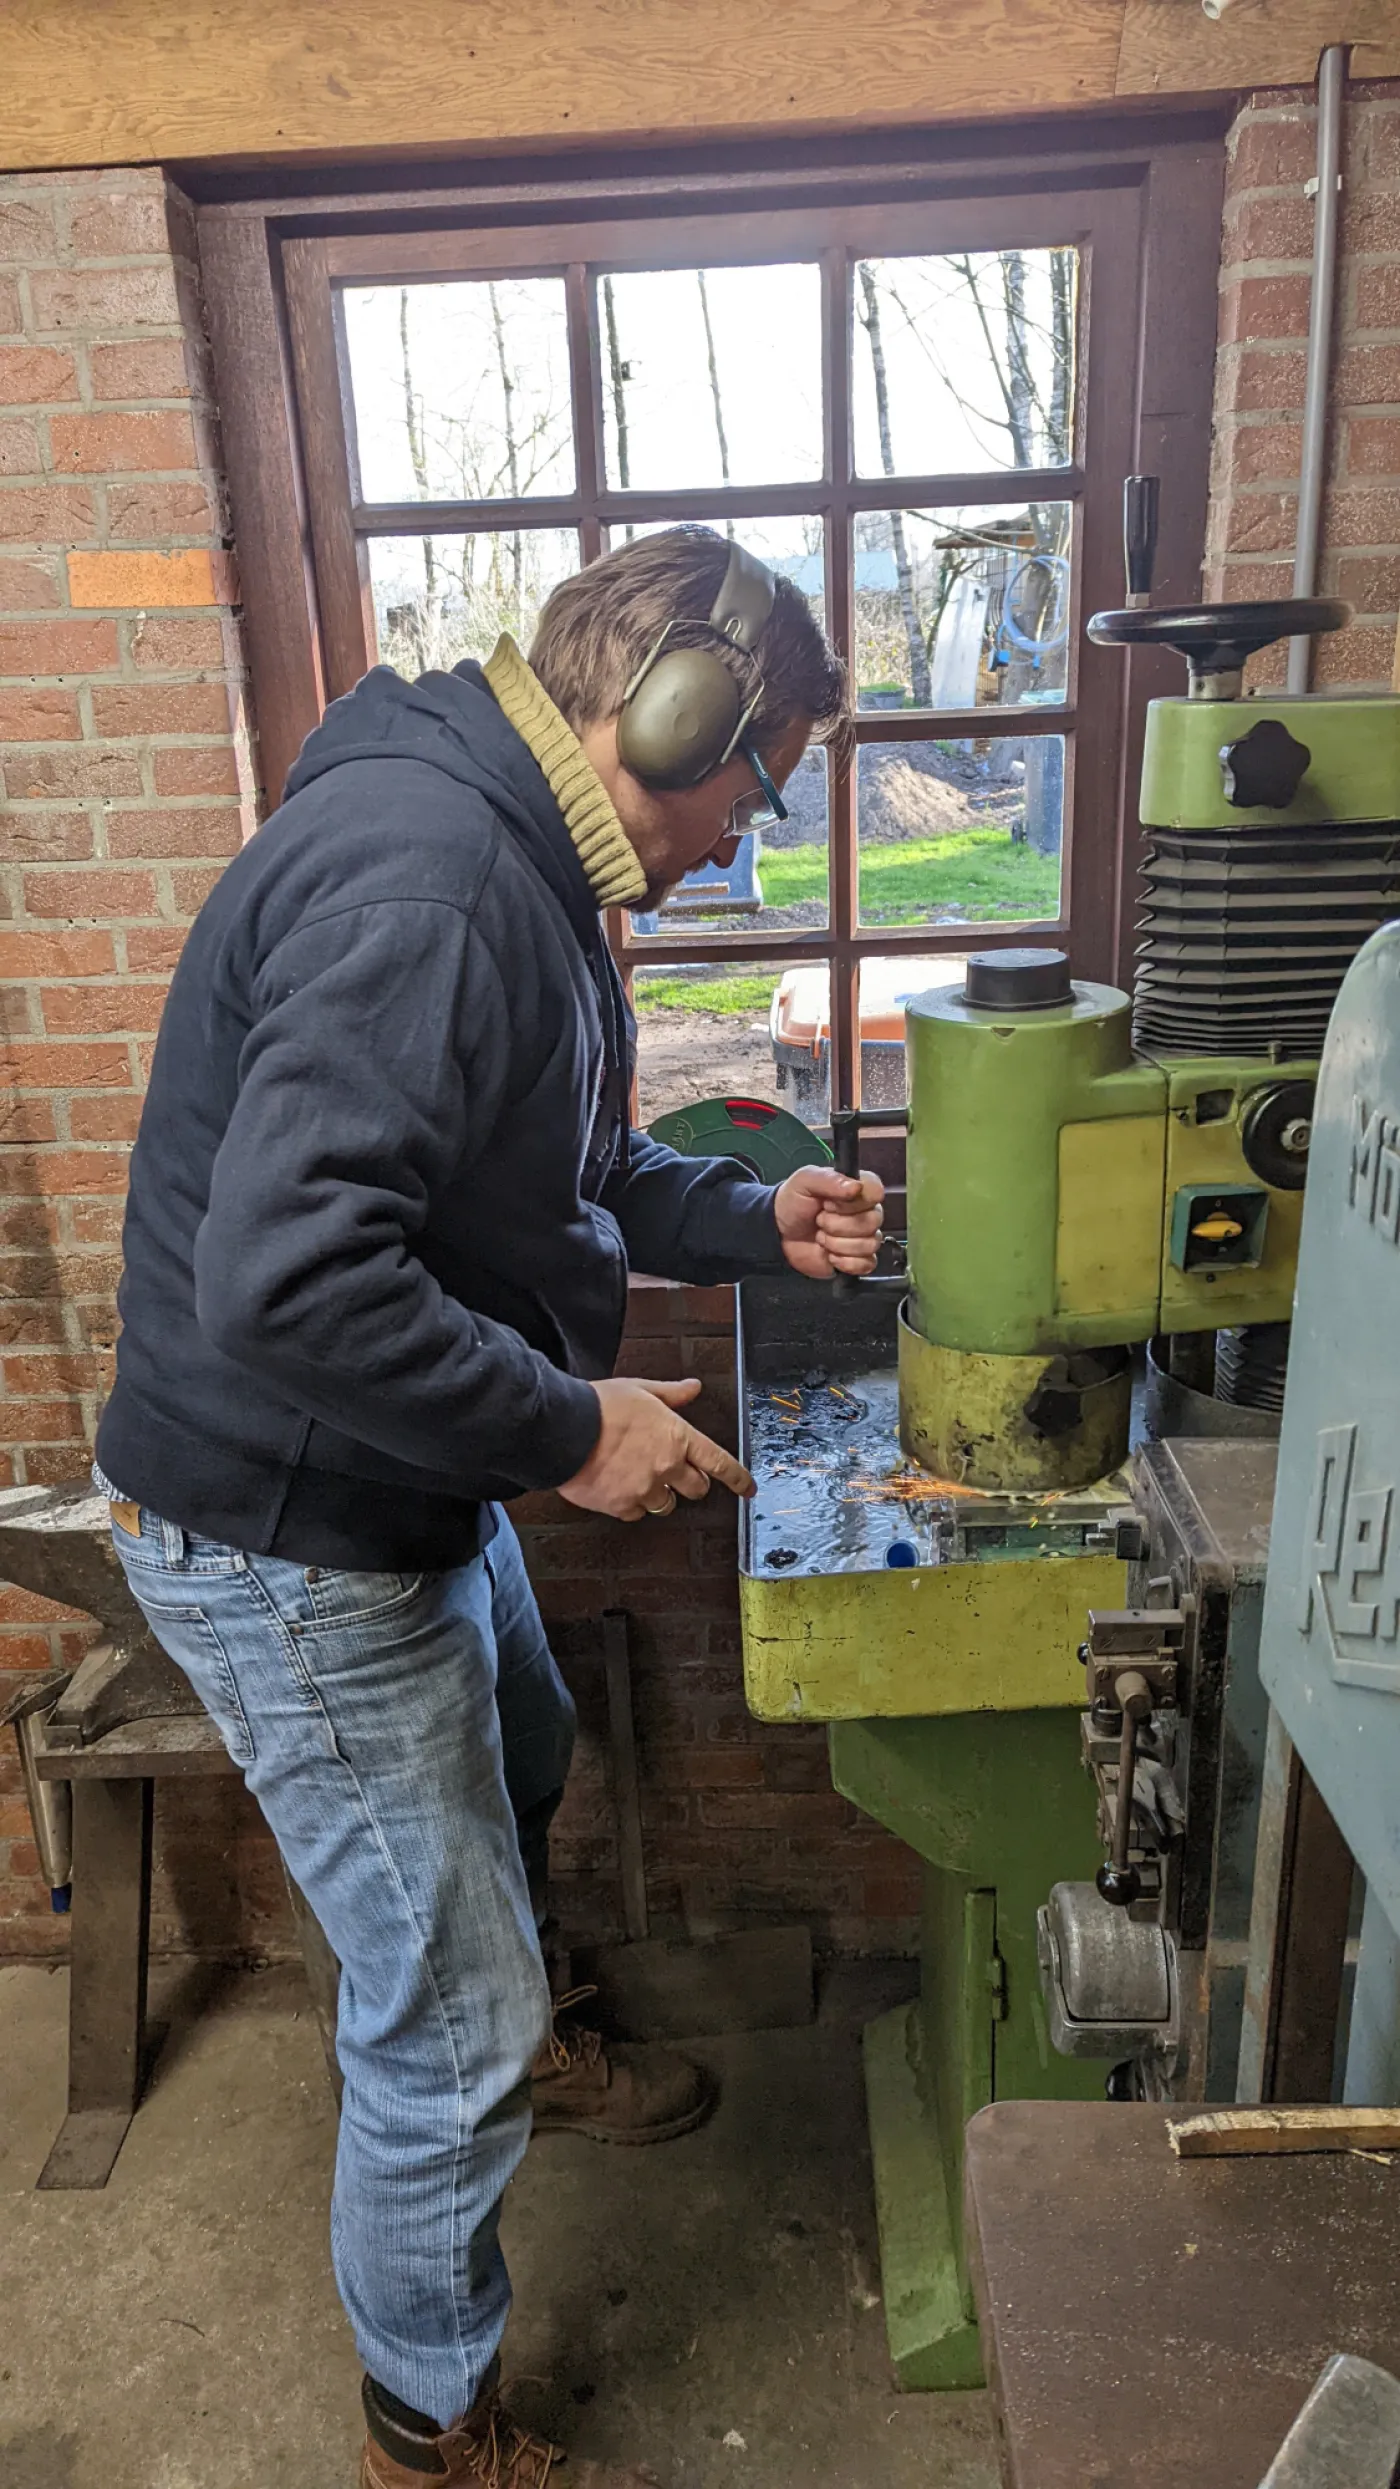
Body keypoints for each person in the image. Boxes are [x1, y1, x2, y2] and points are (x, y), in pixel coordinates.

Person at [94, 525, 884, 2489]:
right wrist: (565, 1429)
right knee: (432, 2003)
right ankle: (426, 2424)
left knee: (522, 1741)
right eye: (758, 778)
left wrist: (748, 1213)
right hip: (290, 1522)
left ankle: (513, 2027)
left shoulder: (521, 857)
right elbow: (289, 1277)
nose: (752, 827)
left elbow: (562, 1165)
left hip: (396, 1474)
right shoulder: (437, 883)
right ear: (672, 714)